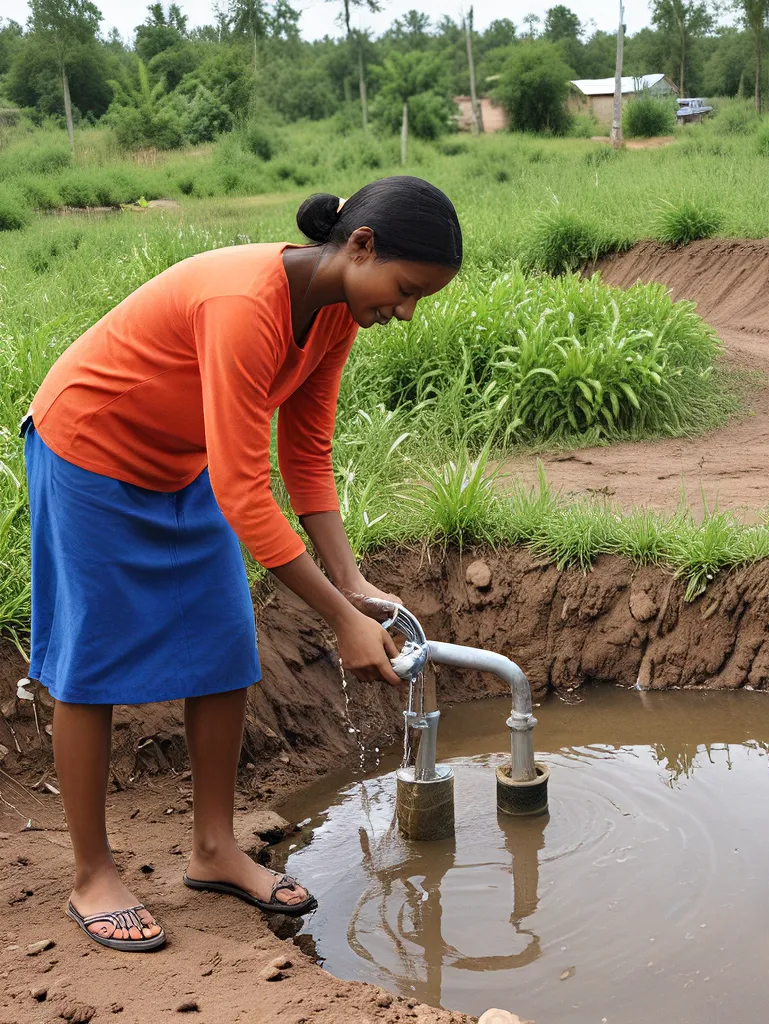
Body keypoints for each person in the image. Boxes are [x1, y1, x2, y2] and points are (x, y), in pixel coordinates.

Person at [22, 176, 462, 951]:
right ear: (360, 246)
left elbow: (305, 455)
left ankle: (215, 849)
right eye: (405, 288)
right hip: (89, 450)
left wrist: (352, 586)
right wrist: (335, 618)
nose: (406, 310)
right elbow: (242, 489)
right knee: (88, 665)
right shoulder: (244, 302)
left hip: (183, 462)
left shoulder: (334, 315)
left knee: (225, 651)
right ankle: (93, 875)